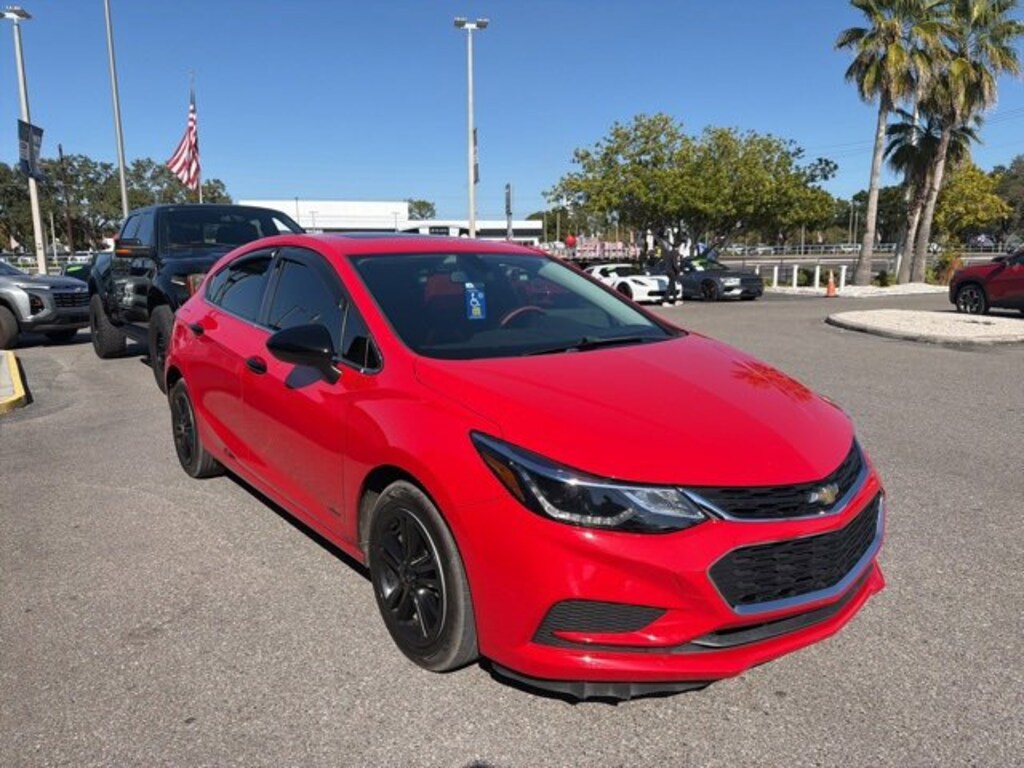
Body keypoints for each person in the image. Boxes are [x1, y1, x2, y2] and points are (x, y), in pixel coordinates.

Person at [657, 236, 681, 306]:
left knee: (673, 286)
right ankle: (665, 300)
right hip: (672, 271)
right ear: (678, 247)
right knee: (670, 286)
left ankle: (675, 300)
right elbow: (675, 263)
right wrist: (679, 270)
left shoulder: (669, 253)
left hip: (667, 270)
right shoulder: (675, 253)